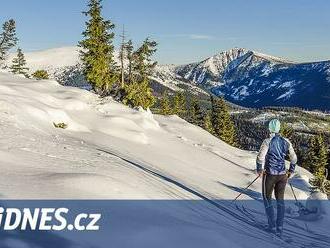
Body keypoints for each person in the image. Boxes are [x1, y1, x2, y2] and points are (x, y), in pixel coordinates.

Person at [256, 119, 297, 236]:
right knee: (280, 200)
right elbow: (294, 158)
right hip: (283, 175)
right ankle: (280, 226)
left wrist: (259, 169)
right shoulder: (286, 141)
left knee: (267, 198)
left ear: (269, 128)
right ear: (279, 128)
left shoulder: (267, 141)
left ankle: (272, 226)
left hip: (270, 175)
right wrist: (291, 170)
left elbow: (260, 157)